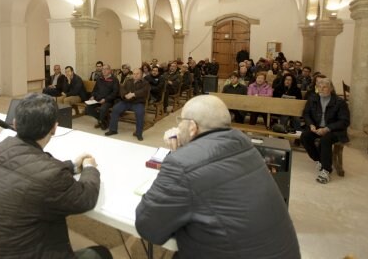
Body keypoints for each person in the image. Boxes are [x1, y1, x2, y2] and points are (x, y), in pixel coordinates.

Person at [0, 93, 112, 259]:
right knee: (100, 254)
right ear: (54, 127)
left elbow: (29, 169)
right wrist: (90, 167)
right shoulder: (51, 175)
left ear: (15, 123)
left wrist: (72, 166)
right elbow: (86, 198)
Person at [135, 95, 300, 258]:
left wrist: (178, 155)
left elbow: (148, 227)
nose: (178, 128)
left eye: (180, 121)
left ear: (192, 127)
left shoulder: (180, 164)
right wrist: (185, 149)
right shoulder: (244, 144)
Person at [301, 78, 350, 184]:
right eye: (319, 87)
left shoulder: (339, 102)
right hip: (317, 127)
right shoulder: (313, 99)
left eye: (325, 87)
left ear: (331, 88)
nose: (321, 89)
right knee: (305, 136)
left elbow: (345, 121)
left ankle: (326, 170)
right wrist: (311, 125)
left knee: (325, 140)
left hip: (335, 130)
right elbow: (306, 114)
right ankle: (319, 159)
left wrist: (327, 129)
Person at [106, 68, 150, 141]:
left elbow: (144, 91)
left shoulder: (145, 83)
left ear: (141, 74)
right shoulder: (128, 81)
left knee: (140, 113)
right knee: (115, 109)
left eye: (137, 74)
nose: (135, 75)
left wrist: (134, 94)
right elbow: (122, 89)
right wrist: (125, 95)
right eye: (134, 74)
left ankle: (138, 133)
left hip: (138, 103)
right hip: (126, 101)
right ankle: (113, 130)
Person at [85, 64, 119, 130]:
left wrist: (105, 99)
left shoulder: (114, 80)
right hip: (97, 99)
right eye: (103, 69)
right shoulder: (99, 79)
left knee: (103, 109)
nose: (104, 71)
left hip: (108, 100)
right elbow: (95, 90)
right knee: (88, 108)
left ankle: (102, 122)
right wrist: (92, 96)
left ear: (110, 70)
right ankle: (103, 120)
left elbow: (115, 93)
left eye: (106, 69)